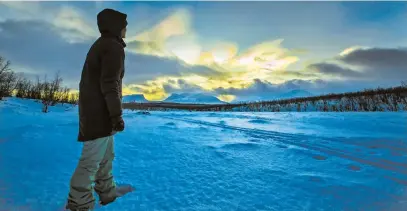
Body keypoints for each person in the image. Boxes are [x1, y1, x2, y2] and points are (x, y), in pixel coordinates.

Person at [66, 8, 133, 211]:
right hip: (100, 114)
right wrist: (116, 115)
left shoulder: (102, 45)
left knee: (106, 157)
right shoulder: (112, 47)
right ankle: (79, 203)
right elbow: (110, 83)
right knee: (91, 161)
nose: (127, 28)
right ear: (116, 26)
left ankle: (107, 192)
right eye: (124, 24)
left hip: (98, 112)